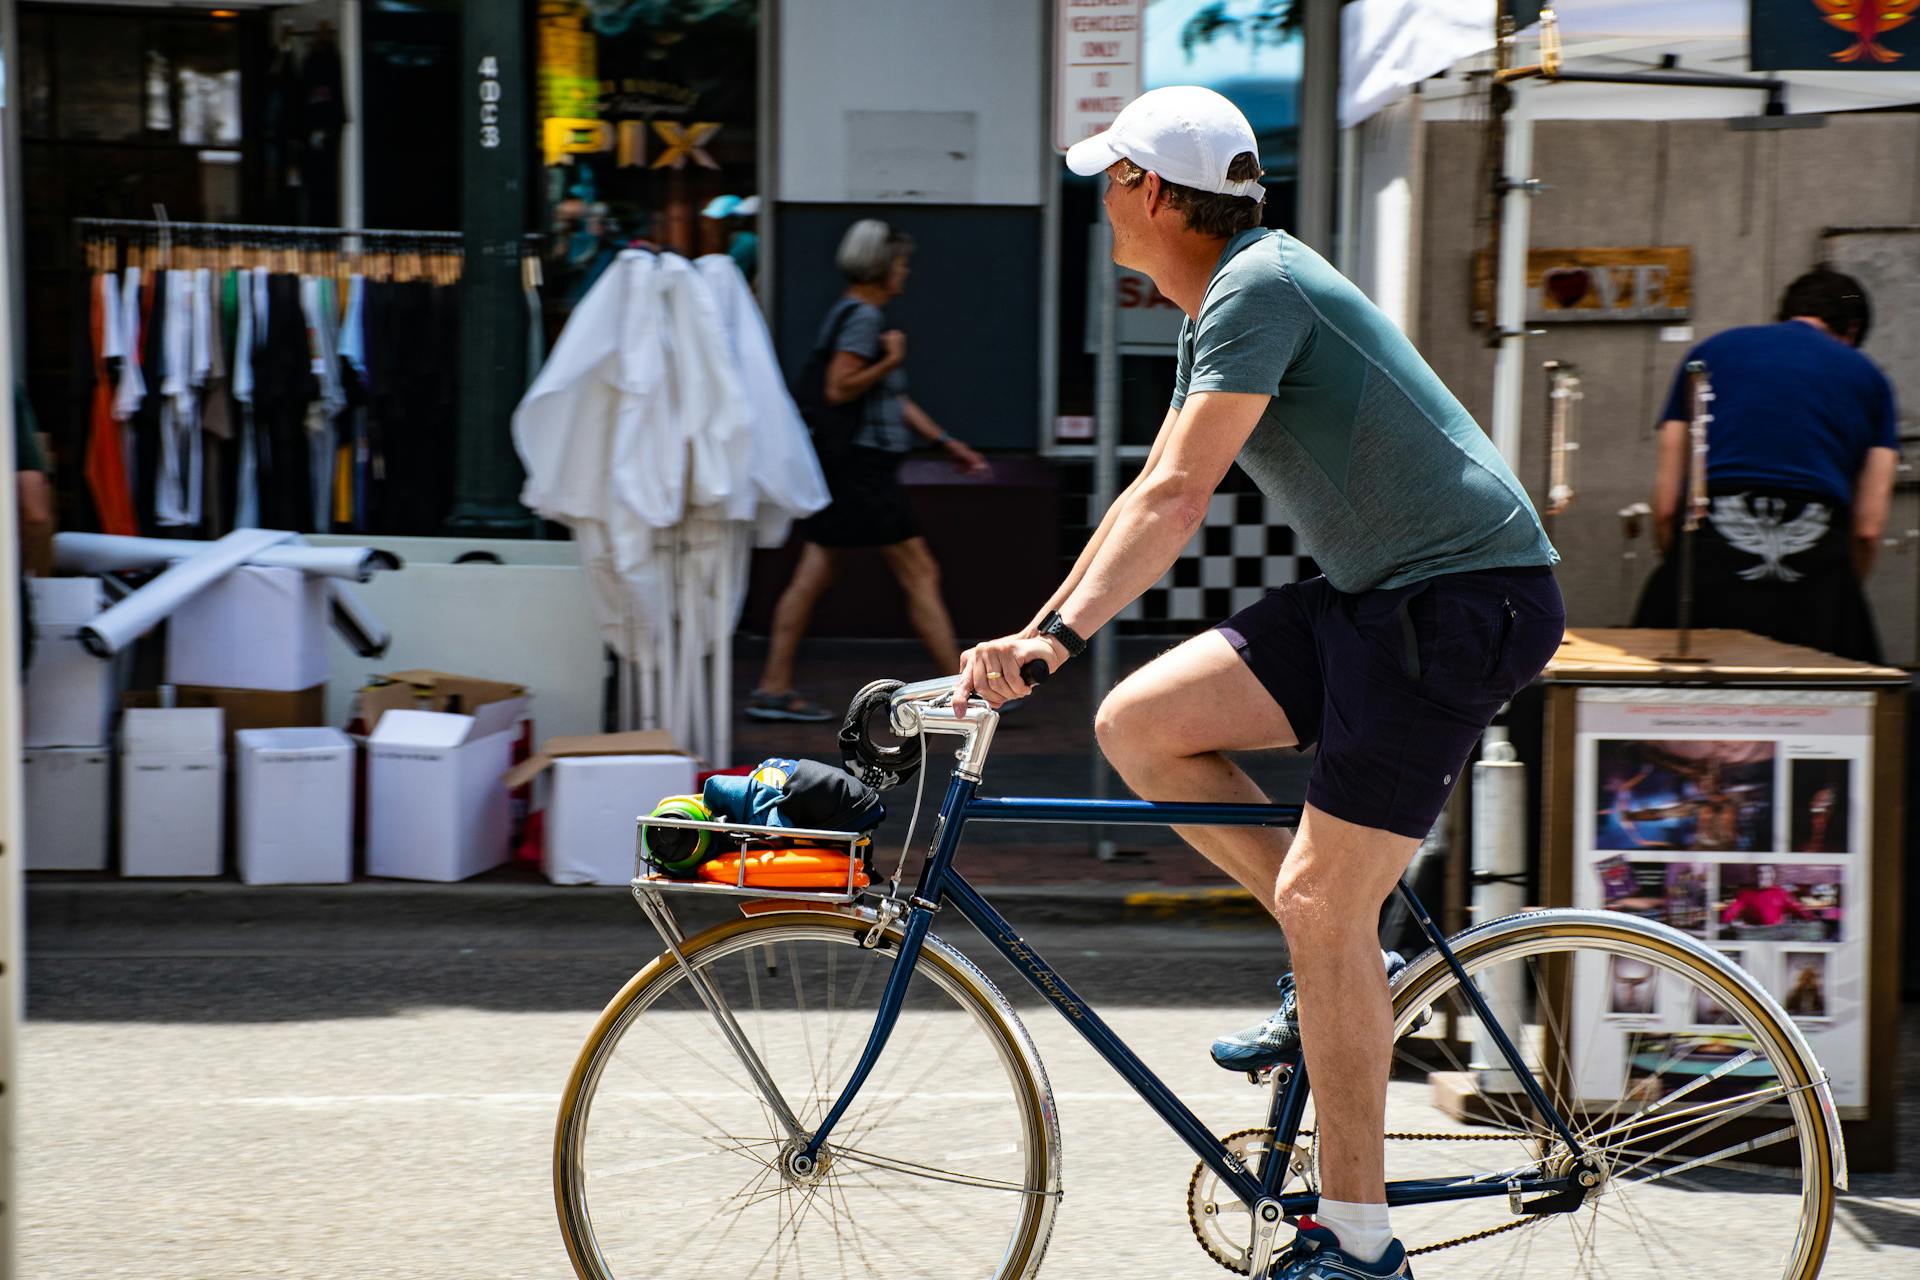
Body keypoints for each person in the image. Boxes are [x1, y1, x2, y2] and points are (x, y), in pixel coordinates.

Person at [952, 87, 1562, 1278]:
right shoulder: (1232, 293)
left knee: (1323, 902)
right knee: (1142, 724)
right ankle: (1354, 974)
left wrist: (1055, 637)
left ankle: (1359, 1238)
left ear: (1151, 191)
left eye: (1109, 181)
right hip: (1379, 594)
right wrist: (1043, 632)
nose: (1101, 204)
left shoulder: (1260, 286)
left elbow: (1180, 498)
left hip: (1458, 601)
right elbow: (1152, 491)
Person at [747, 219, 989, 722]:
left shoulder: (852, 314)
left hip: (851, 467)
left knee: (816, 572)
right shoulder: (862, 319)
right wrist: (891, 358)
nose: (905, 273)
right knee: (919, 570)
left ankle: (773, 686)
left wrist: (948, 444)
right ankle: (963, 692)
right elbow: (841, 387)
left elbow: (892, 400)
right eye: (900, 263)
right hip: (862, 470)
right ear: (879, 266)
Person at [1633, 267, 1900, 662]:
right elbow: (1868, 529)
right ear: (1852, 330)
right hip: (1818, 573)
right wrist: (1841, 591)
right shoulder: (1870, 379)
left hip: (1708, 555)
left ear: (1787, 312)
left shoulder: (1707, 355)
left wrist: (1684, 568)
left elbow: (1669, 503)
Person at [1721, 863, 1815, 929]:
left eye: (1767, 873)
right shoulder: (1746, 894)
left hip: (1774, 934)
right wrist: (1724, 922)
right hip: (1754, 934)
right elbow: (1731, 911)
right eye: (1760, 873)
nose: (1763, 876)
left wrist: (1811, 920)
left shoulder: (1780, 893)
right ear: (1754, 875)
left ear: (1772, 875)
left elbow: (1798, 910)